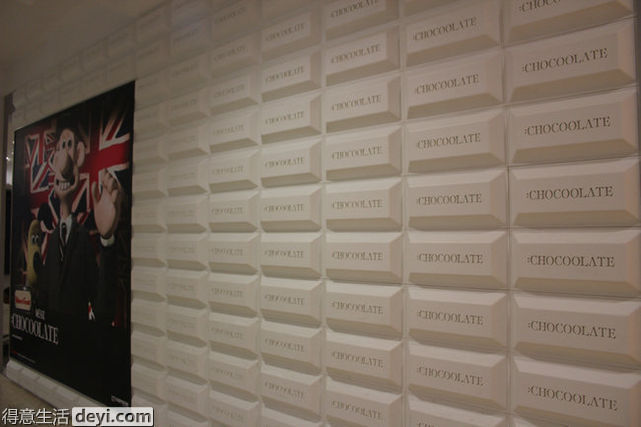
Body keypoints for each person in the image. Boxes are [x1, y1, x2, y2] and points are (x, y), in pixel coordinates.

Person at [36, 124, 124, 402]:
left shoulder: (84, 239)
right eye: (60, 148)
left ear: (80, 154)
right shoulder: (51, 241)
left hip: (78, 357)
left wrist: (107, 239)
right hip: (51, 353)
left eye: (70, 146)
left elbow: (103, 310)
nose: (65, 157)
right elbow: (43, 297)